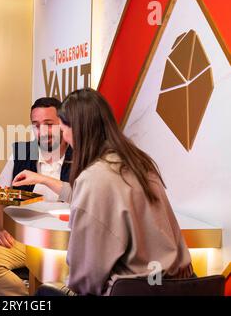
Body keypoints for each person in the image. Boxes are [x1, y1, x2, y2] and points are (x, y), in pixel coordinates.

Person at [12, 88, 193, 296]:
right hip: (182, 285)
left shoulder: (94, 177)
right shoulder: (140, 163)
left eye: (63, 129)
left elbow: (84, 278)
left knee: (45, 294)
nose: (65, 138)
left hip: (132, 290)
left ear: (78, 130)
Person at [0, 97, 72, 296]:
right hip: (25, 239)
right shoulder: (22, 152)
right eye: (36, 125)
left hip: (68, 242)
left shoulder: (79, 154)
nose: (42, 132)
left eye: (49, 124)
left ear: (63, 123)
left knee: (60, 283)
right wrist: (0, 228)